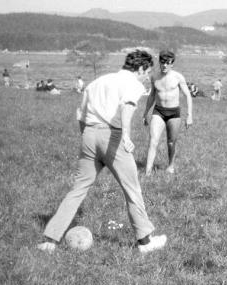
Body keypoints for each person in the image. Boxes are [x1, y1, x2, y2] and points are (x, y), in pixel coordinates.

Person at [37, 50, 167, 254]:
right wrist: (125, 135)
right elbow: (127, 106)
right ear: (140, 68)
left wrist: (88, 138)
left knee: (78, 189)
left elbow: (81, 115)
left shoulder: (97, 82)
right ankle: (145, 242)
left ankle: (49, 240)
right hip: (113, 138)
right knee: (132, 189)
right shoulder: (133, 84)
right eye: (147, 71)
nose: (146, 76)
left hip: (89, 135)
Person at [143, 50, 193, 175]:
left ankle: (171, 166)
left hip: (174, 113)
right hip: (158, 111)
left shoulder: (178, 77)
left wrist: (189, 115)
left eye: (168, 63)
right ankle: (148, 171)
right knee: (153, 140)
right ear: (159, 62)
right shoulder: (154, 76)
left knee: (171, 142)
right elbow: (151, 96)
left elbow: (187, 95)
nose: (165, 65)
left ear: (172, 64)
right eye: (162, 62)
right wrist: (145, 113)